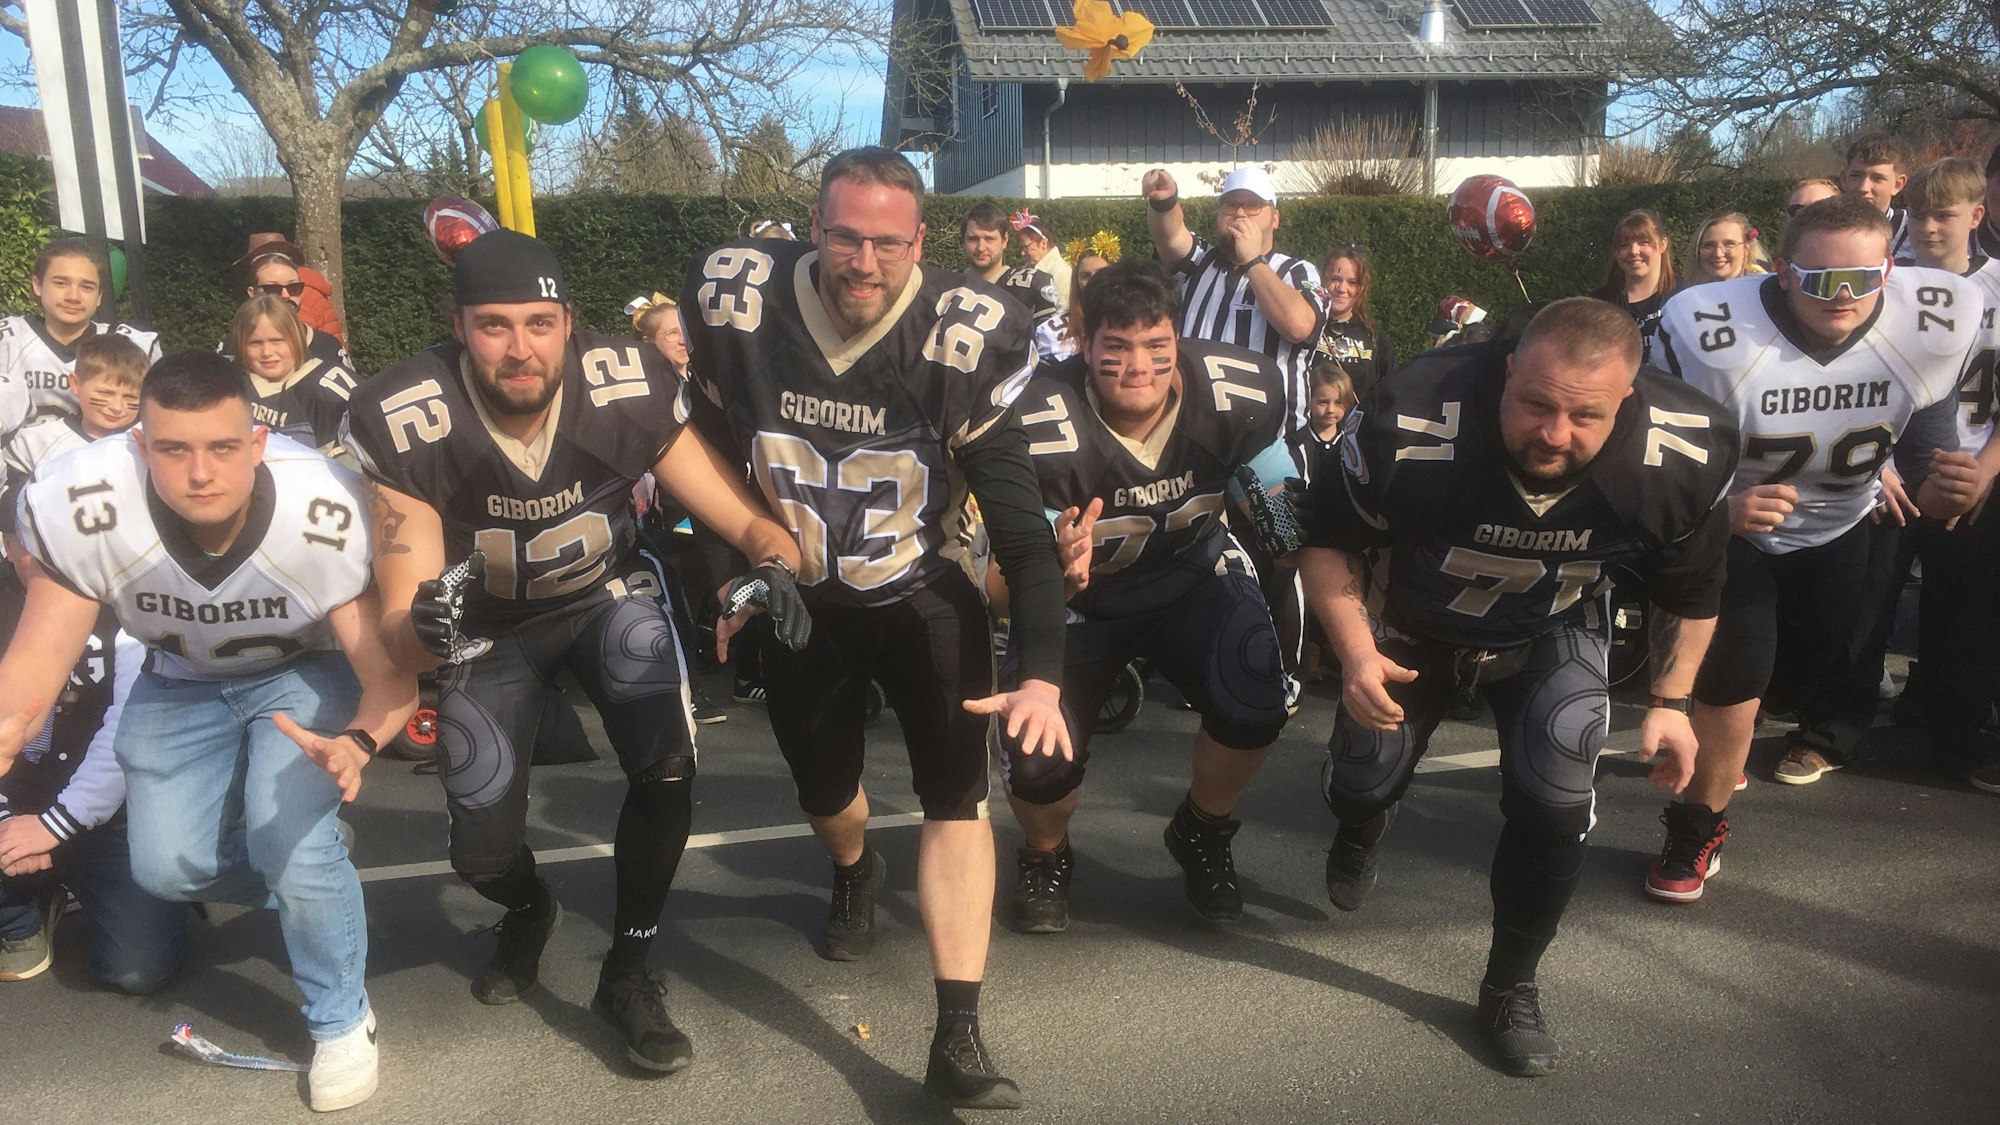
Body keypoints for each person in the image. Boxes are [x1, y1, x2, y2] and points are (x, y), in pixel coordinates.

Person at [344, 229, 807, 1074]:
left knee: (667, 764)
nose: (520, 348)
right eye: (493, 325)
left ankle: (627, 970)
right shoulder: (409, 414)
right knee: (479, 848)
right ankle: (527, 908)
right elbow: (401, 624)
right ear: (458, 326)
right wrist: (425, 629)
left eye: (539, 322)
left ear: (569, 322)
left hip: (603, 596)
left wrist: (773, 563)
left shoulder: (624, 383)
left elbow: (739, 514)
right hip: (485, 624)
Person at [680, 146, 1070, 1110]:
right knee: (827, 791)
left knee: (956, 798)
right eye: (845, 236)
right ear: (813, 228)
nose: (864, 260)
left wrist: (1045, 672)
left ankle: (959, 1030)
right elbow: (696, 449)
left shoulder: (965, 336)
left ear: (921, 243)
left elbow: (1023, 533)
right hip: (806, 597)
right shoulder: (741, 303)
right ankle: (855, 868)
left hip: (922, 592)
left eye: (887, 243)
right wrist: (740, 568)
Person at [1298, 297, 1739, 1076]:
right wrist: (1357, 651)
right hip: (1416, 623)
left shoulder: (1681, 450)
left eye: (1584, 415)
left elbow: (1692, 588)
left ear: (1629, 403)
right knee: (1362, 780)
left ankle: (1511, 983)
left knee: (1556, 802)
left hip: (1551, 627)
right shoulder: (1417, 411)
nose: (1555, 434)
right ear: (1506, 372)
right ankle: (1364, 820)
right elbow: (1329, 540)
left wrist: (1670, 703)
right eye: (1536, 403)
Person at [0, 351, 414, 1112]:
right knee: (165, 867)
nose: (200, 472)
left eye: (223, 447)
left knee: (291, 837)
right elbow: (35, 662)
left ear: (257, 444)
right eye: (174, 448)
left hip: (303, 673)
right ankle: (303, 872)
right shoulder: (81, 500)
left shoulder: (320, 507)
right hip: (178, 679)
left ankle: (341, 1018)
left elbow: (387, 675)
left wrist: (356, 743)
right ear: (137, 443)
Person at [1648, 195, 1983, 899]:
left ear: (1890, 269)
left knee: (1796, 680)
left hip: (1840, 526)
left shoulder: (1927, 320)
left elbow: (1925, 445)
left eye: (1864, 279)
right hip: (1739, 529)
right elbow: (1655, 458)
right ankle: (1696, 827)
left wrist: (1941, 487)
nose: (1846, 297)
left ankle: (1726, 745)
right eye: (1824, 280)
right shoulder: (1713, 328)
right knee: (1737, 677)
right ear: (1786, 273)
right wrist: (1720, 509)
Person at [993, 258, 1294, 933]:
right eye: (1117, 348)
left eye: (1157, 347)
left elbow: (1289, 511)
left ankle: (1202, 829)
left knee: (1256, 696)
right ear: (1083, 340)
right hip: (1083, 604)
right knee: (1038, 755)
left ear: (1178, 341)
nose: (1139, 367)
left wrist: (1280, 512)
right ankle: (1046, 853)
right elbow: (997, 590)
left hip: (1191, 574)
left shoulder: (1233, 392)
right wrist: (1052, 565)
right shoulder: (1037, 418)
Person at [1897, 159, 2000, 788]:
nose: (1929, 227)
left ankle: (1958, 744)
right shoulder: (1888, 287)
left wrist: (1983, 473)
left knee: (1963, 610)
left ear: (1976, 215)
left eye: (1945, 214)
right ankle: (1830, 731)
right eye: (1918, 214)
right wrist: (1879, 464)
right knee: (1867, 603)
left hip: (1974, 467)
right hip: (1890, 468)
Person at [1144, 166, 1326, 444]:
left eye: (1253, 206)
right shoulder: (1200, 261)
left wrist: (1253, 260)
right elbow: (1170, 236)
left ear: (1274, 218)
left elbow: (1299, 326)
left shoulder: (1297, 271)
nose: (1240, 214)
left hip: (1270, 444)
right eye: (1230, 205)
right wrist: (1164, 200)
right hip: (1195, 440)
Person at [0, 239, 161, 421]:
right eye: (61, 283)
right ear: (37, 285)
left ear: (99, 295)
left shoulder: (136, 346)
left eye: (86, 287)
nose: (73, 296)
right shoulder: (7, 339)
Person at [3, 335, 149, 509]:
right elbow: (10, 509)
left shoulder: (149, 443)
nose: (117, 407)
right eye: (105, 393)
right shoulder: (35, 442)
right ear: (75, 383)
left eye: (130, 397)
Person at [227, 296, 358, 450]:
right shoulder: (227, 383)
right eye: (255, 343)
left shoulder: (327, 387)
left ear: (296, 338)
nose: (267, 352)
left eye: (277, 340)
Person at [234, 233, 349, 356]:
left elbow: (295, 339)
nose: (285, 294)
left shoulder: (303, 293)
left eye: (260, 261)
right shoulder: (306, 284)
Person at [1588, 209, 1677, 366]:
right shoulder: (1600, 304)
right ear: (1616, 252)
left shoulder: (1684, 295)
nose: (1634, 251)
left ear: (1662, 245)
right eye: (1624, 245)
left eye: (1644, 242)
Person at [1316, 243, 1397, 398]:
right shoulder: (1306, 325)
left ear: (1361, 288)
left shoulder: (1374, 335)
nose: (1341, 288)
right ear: (1322, 280)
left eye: (1352, 282)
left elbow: (1391, 387)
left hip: (1360, 421)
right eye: (1335, 279)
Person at [1033, 243, 1114, 362]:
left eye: (1101, 273)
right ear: (1076, 281)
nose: (1093, 280)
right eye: (1085, 275)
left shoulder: (1134, 321)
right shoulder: (1050, 332)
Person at [1841, 135, 1915, 262]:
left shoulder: (1915, 235)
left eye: (1877, 178)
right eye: (1856, 175)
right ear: (1843, 178)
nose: (1863, 187)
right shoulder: (1819, 231)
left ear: (1897, 185)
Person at [1299, 360, 1357, 482]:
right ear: (1308, 399)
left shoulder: (1351, 441)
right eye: (1323, 402)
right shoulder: (1299, 440)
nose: (1330, 410)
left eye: (1338, 403)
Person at [1009, 209, 1072, 316]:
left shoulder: (1062, 273)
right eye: (1021, 247)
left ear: (1043, 243)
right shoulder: (1025, 270)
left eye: (1026, 247)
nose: (1022, 254)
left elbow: (1062, 314)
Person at [1685, 212, 1768, 283]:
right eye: (1709, 245)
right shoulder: (1689, 295)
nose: (1718, 254)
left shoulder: (1765, 289)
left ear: (1746, 248)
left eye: (1729, 244)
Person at [625, 292, 690, 370]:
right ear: (648, 342)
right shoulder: (650, 381)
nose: (683, 341)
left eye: (685, 330)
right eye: (672, 333)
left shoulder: (701, 378)